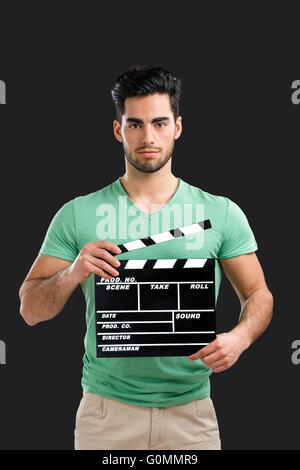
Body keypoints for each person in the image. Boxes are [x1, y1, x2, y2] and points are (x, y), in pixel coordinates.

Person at [18, 65, 273, 451]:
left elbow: (259, 294)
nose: (148, 137)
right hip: (106, 415)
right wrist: (73, 272)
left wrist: (241, 337)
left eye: (159, 122)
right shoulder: (77, 213)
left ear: (178, 127)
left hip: (193, 414)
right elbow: (30, 311)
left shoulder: (220, 212)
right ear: (118, 130)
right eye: (135, 125)